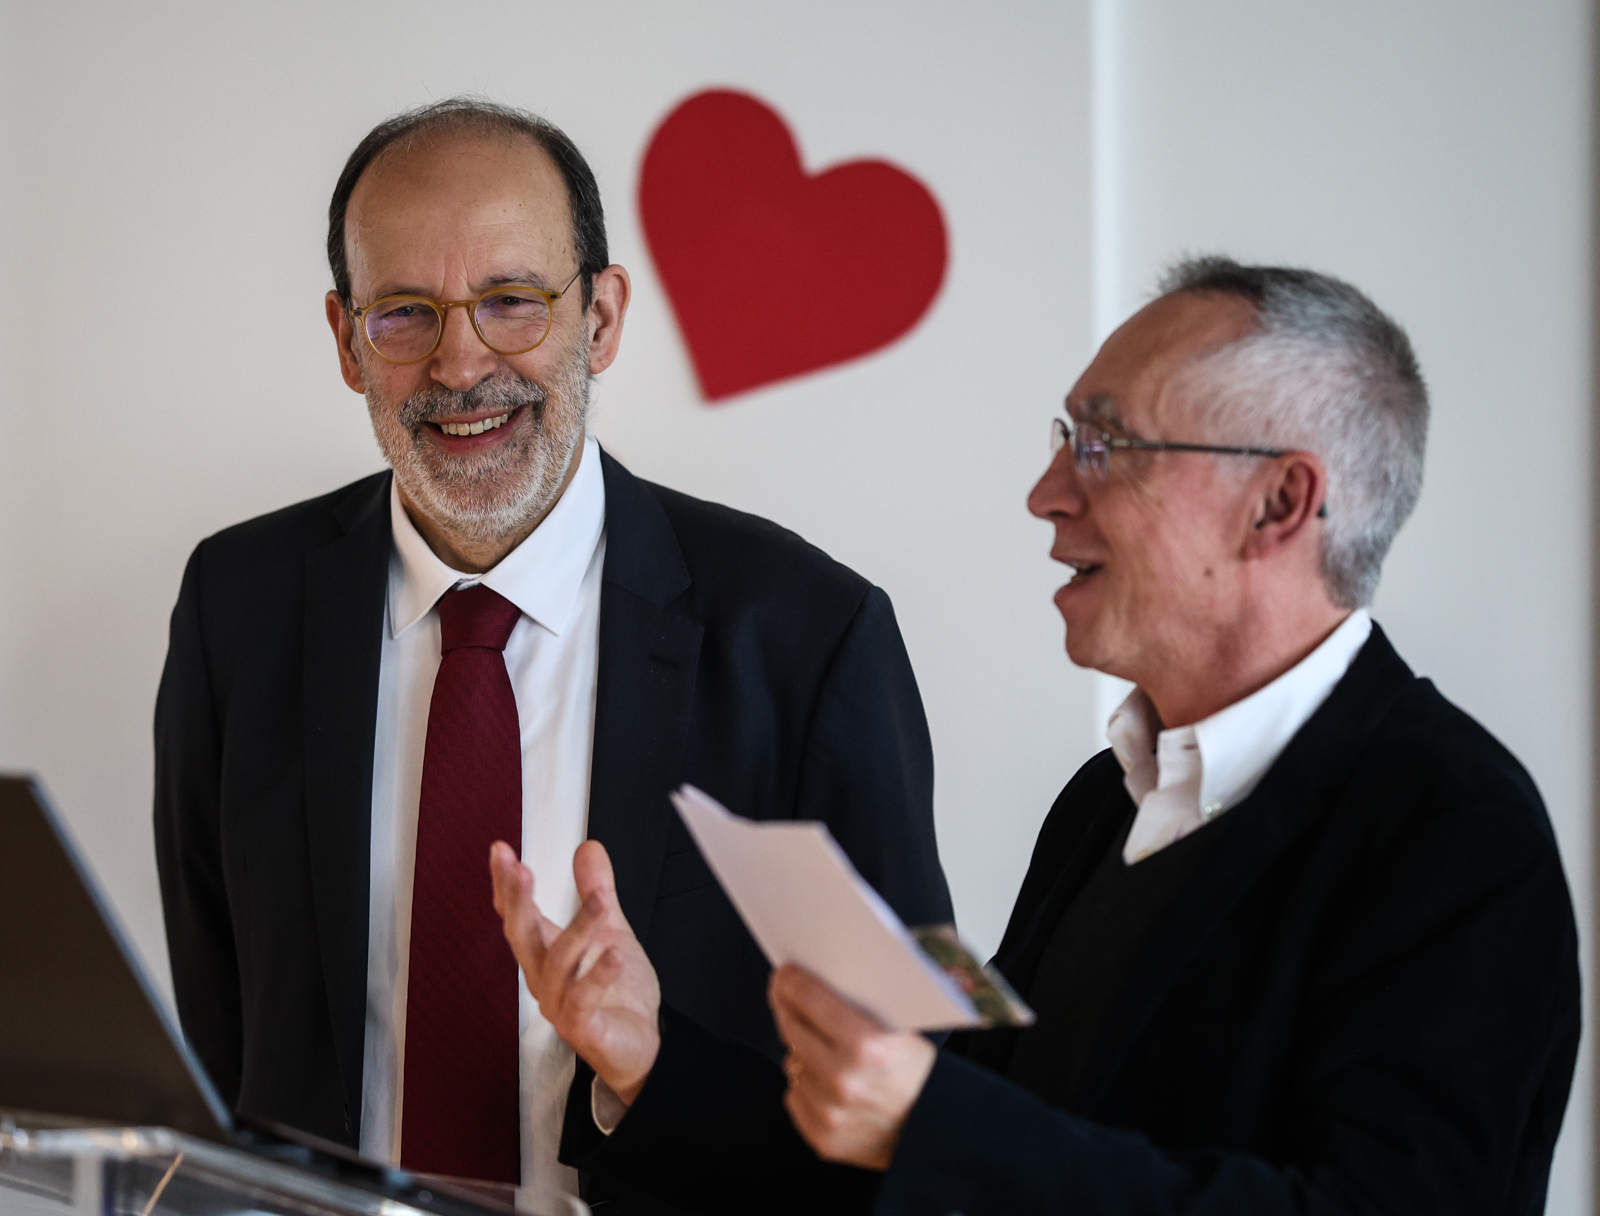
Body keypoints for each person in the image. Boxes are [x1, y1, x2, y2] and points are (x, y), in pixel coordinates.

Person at [493, 259, 1581, 1214]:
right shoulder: (1101, 801)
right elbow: (947, 1142)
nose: (1045, 493)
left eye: (1106, 444)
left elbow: (965, 1145)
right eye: (1065, 437)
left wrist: (934, 1129)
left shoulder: (1457, 832)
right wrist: (648, 1060)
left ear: (1280, 501)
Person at [152, 98, 952, 1207]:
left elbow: (908, 1082)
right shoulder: (235, 607)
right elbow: (220, 1019)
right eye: (405, 315)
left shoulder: (808, 638)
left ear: (602, 317)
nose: (459, 363)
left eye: (511, 302)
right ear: (345, 340)